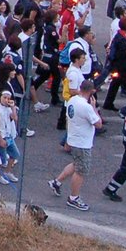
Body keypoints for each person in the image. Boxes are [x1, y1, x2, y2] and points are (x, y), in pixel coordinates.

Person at [48, 79, 103, 211]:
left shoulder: (72, 101)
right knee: (81, 170)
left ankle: (57, 182)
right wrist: (95, 108)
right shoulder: (87, 107)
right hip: (82, 143)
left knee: (76, 163)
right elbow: (99, 124)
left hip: (73, 138)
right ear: (92, 91)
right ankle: (74, 198)